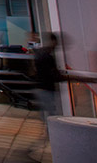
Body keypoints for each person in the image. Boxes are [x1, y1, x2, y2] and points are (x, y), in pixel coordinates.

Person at [23, 33, 63, 161]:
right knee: (51, 124)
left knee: (49, 124)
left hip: (41, 90)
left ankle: (33, 149)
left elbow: (33, 71)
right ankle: (33, 149)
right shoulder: (47, 57)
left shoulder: (40, 53)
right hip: (46, 91)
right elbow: (54, 75)